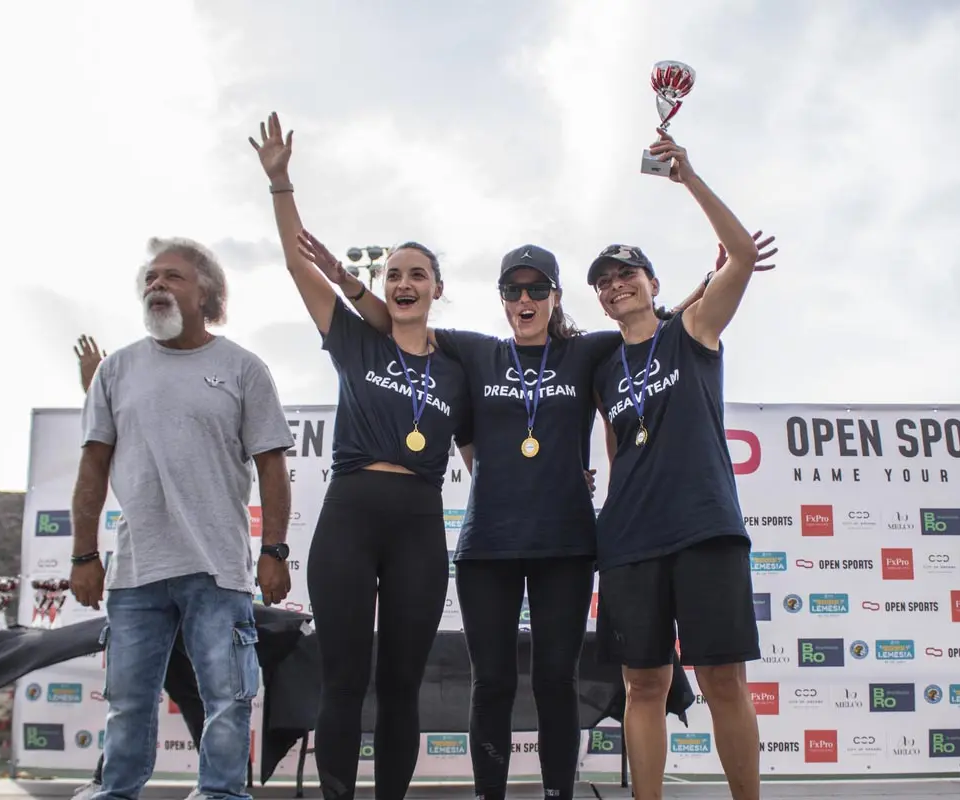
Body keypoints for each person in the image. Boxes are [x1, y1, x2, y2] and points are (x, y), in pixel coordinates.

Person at [305, 235, 776, 800]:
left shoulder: (588, 352)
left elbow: (650, 325)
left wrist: (708, 283)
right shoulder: (474, 351)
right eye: (513, 290)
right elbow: (401, 320)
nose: (524, 299)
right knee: (492, 684)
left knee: (557, 682)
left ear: (555, 296)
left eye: (536, 289)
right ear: (502, 298)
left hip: (567, 546)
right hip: (488, 547)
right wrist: (350, 285)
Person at [249, 111, 472, 800]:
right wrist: (282, 184)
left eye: (418, 274)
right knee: (343, 679)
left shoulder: (459, 367)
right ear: (383, 283)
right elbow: (297, 262)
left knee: (402, 684)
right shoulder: (356, 340)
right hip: (350, 515)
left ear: (437, 288)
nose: (405, 282)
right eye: (394, 273)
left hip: (419, 525)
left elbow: (483, 456)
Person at [69, 237, 296, 800]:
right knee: (128, 701)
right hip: (137, 571)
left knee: (227, 698)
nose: (157, 285)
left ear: (207, 294)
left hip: (218, 568)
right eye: (151, 277)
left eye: (173, 276)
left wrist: (274, 550)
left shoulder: (243, 368)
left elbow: (272, 466)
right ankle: (116, 791)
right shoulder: (116, 370)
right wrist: (83, 554)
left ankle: (221, 793)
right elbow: (93, 466)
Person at [588, 129, 765, 800]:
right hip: (630, 542)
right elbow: (616, 449)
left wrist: (686, 176)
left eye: (626, 275)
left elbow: (743, 255)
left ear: (652, 284)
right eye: (604, 283)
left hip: (703, 529)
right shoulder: (604, 367)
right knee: (643, 685)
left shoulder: (692, 331)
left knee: (722, 680)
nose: (615, 286)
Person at [69, 334, 206, 800]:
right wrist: (97, 386)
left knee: (190, 685)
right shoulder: (132, 410)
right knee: (134, 691)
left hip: (198, 567)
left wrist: (98, 385)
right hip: (144, 571)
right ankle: (110, 780)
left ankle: (219, 783)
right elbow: (119, 431)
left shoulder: (203, 402)